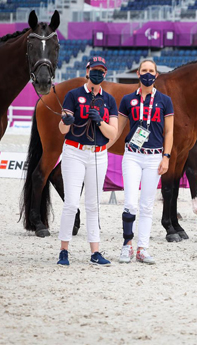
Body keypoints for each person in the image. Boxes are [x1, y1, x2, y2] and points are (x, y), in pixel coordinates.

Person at [57, 57, 118, 266]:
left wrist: (99, 121)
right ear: (87, 70)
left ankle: (95, 251)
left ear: (105, 74)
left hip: (99, 154)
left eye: (101, 71)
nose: (97, 74)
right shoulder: (73, 95)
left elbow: (113, 133)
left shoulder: (109, 100)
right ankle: (64, 250)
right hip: (75, 151)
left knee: (93, 204)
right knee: (71, 203)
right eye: (94, 70)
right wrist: (66, 121)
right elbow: (62, 129)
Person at [115, 59, 174, 264]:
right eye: (144, 70)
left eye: (151, 71)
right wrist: (101, 146)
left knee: (147, 205)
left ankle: (142, 248)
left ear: (156, 75)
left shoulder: (165, 101)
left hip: (154, 157)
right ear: (138, 73)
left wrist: (166, 156)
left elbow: (169, 131)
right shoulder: (127, 99)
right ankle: (127, 245)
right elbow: (118, 129)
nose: (148, 74)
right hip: (132, 154)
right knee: (131, 202)